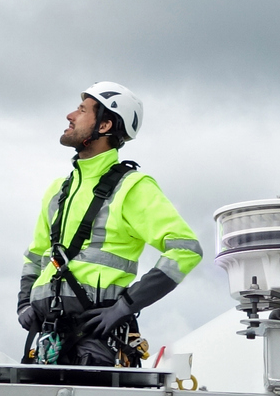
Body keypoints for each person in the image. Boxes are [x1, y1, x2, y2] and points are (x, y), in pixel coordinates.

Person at [16, 80, 204, 367]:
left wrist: (125, 306)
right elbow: (35, 256)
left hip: (97, 344)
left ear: (104, 126)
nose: (70, 116)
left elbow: (186, 249)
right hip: (47, 340)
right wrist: (24, 303)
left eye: (81, 110)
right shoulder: (58, 191)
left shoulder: (133, 187)